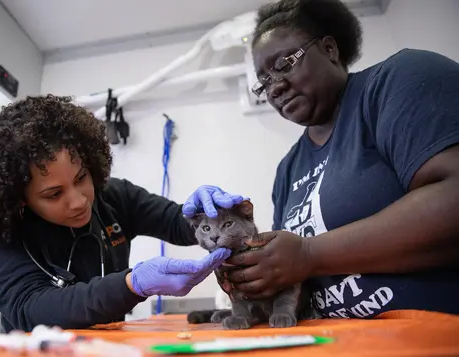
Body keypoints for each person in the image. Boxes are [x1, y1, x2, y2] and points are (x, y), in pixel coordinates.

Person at [183, 0, 459, 319]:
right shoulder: (288, 169)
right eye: (264, 82)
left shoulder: (400, 82)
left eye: (284, 64)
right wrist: (251, 284)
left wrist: (309, 253)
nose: (275, 87)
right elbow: (293, 277)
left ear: (329, 49)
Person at [0, 95, 232, 332]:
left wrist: (206, 216)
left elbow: (176, 222)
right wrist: (131, 285)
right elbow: (30, 308)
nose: (79, 200)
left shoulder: (114, 197)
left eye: (82, 177)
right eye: (53, 194)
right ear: (19, 200)